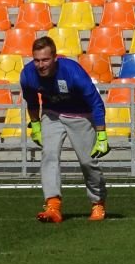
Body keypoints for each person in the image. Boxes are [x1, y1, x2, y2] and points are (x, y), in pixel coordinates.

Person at [20, 36, 110, 224]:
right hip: (52, 114)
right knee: (49, 155)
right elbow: (32, 101)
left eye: (45, 60)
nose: (40, 65)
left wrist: (101, 135)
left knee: (87, 162)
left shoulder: (72, 72)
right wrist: (35, 124)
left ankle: (97, 202)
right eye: (36, 60)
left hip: (81, 116)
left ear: (54, 58)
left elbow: (96, 103)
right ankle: (53, 205)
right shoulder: (27, 74)